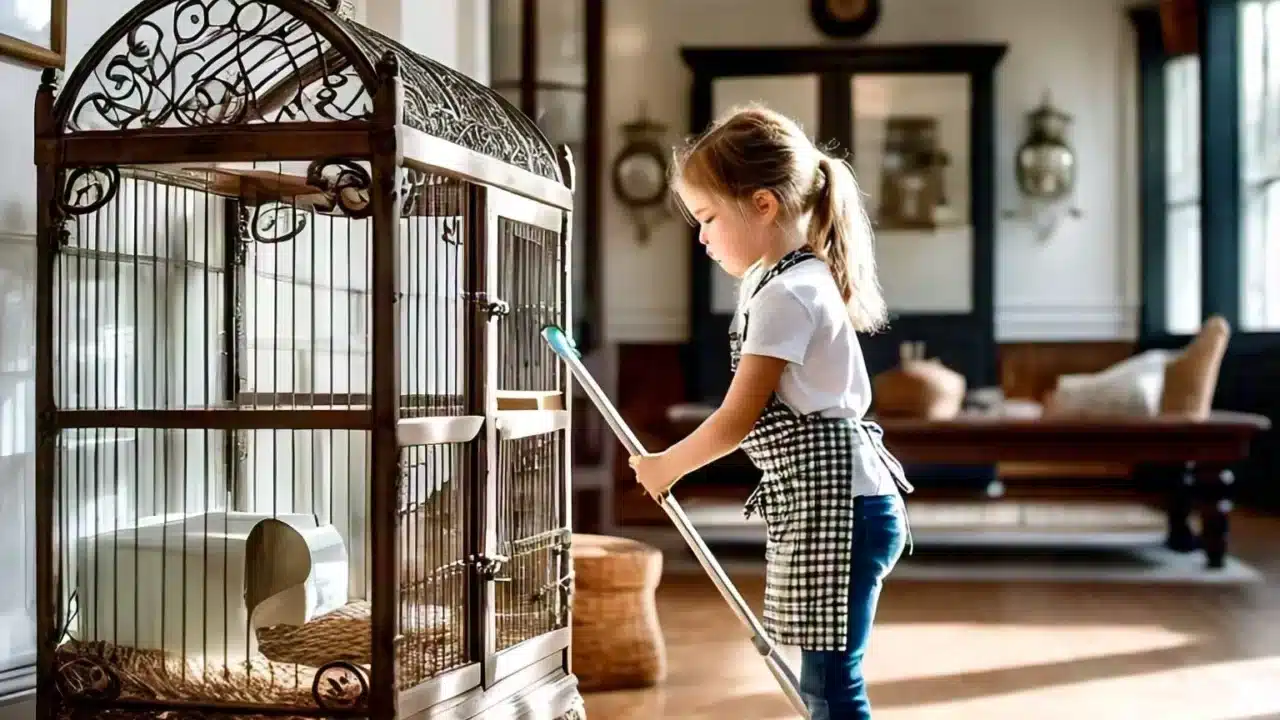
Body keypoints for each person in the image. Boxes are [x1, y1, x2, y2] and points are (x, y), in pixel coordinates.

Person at [627, 104, 914, 720]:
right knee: (824, 686)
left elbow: (736, 419)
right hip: (835, 504)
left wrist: (665, 467)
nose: (701, 235)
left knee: (833, 690)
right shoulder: (788, 282)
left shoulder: (788, 294)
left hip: (844, 509)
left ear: (762, 204)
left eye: (707, 217)